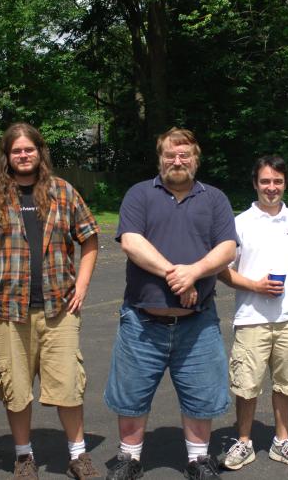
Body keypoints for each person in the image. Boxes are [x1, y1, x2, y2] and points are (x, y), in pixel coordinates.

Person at [0, 122, 101, 480]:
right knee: (16, 390)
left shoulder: (62, 192)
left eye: (30, 149)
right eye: (17, 151)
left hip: (58, 310)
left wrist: (81, 286)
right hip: (5, 312)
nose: (24, 156)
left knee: (69, 385)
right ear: (6, 156)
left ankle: (77, 455)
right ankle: (24, 456)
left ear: (40, 152)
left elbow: (89, 239)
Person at [104, 127, 238, 480]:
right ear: (160, 158)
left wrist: (194, 272)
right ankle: (129, 458)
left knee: (201, 392)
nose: (177, 161)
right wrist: (176, 275)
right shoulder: (139, 195)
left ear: (196, 159)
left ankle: (198, 459)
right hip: (142, 321)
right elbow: (131, 242)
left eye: (184, 155)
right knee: (131, 393)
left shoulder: (215, 199)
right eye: (170, 155)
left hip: (198, 322)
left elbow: (228, 248)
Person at [218, 155, 288, 471]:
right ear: (255, 183)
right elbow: (223, 270)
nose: (271, 187)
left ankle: (282, 441)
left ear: (285, 183)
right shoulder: (239, 223)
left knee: (287, 384)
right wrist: (254, 286)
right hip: (251, 318)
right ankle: (244, 442)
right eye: (265, 181)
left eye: (277, 181)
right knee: (246, 385)